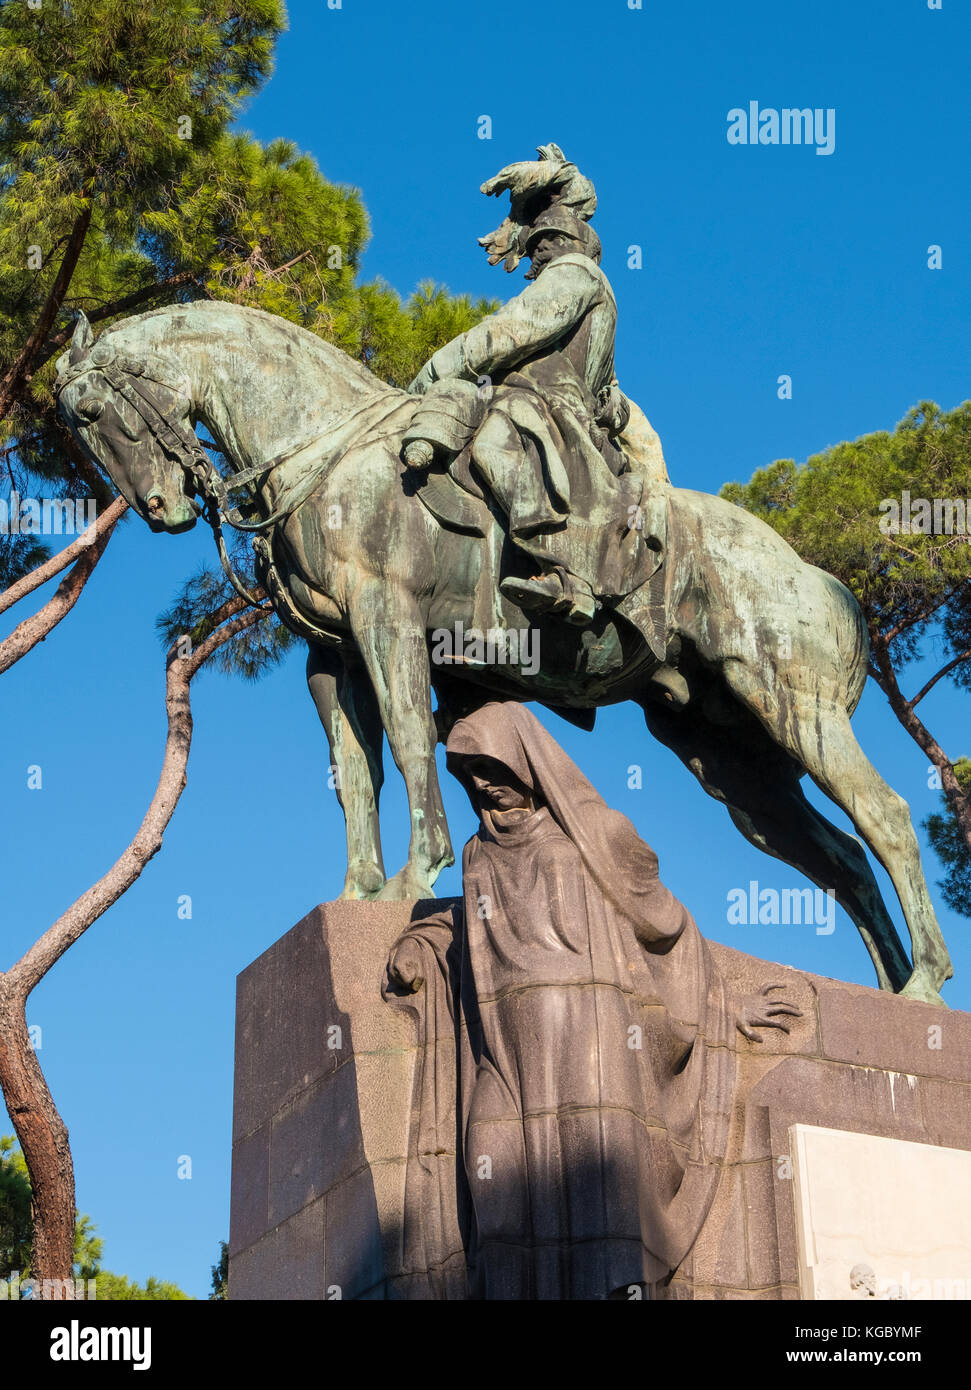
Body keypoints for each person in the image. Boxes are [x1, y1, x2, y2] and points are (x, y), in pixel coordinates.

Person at [387, 702, 800, 1299]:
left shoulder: (595, 835)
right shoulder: (478, 853)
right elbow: (468, 924)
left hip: (593, 1042)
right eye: (468, 771)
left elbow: (665, 927)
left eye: (490, 765)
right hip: (504, 1050)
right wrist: (421, 943)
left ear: (527, 761)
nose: (480, 781)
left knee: (598, 1185)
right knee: (494, 1174)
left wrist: (721, 1005)